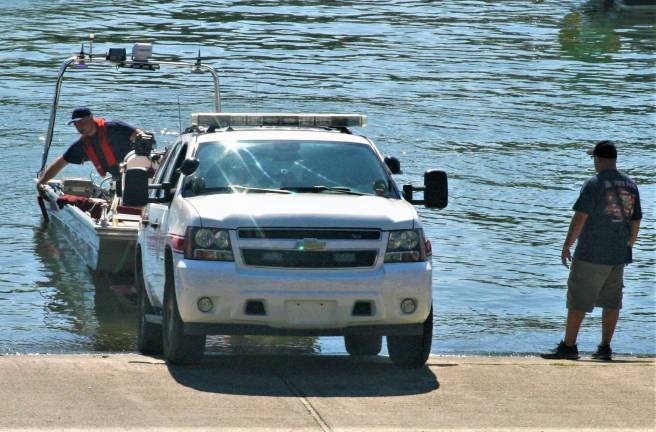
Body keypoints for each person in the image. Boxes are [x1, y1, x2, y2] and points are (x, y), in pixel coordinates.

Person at [542, 140, 642, 361]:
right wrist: (629, 245)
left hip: (590, 253)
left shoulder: (593, 184)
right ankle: (605, 348)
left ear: (598, 159)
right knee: (611, 302)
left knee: (578, 299)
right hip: (618, 254)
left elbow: (580, 217)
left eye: (594, 159)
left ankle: (569, 346)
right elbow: (635, 221)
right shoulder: (630, 185)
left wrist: (567, 244)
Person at [37, 107, 146, 188]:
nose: (78, 127)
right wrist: (41, 182)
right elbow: (61, 162)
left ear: (91, 119)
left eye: (81, 122)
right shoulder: (83, 145)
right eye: (75, 124)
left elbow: (142, 137)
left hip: (140, 174)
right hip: (119, 182)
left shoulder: (114, 127)